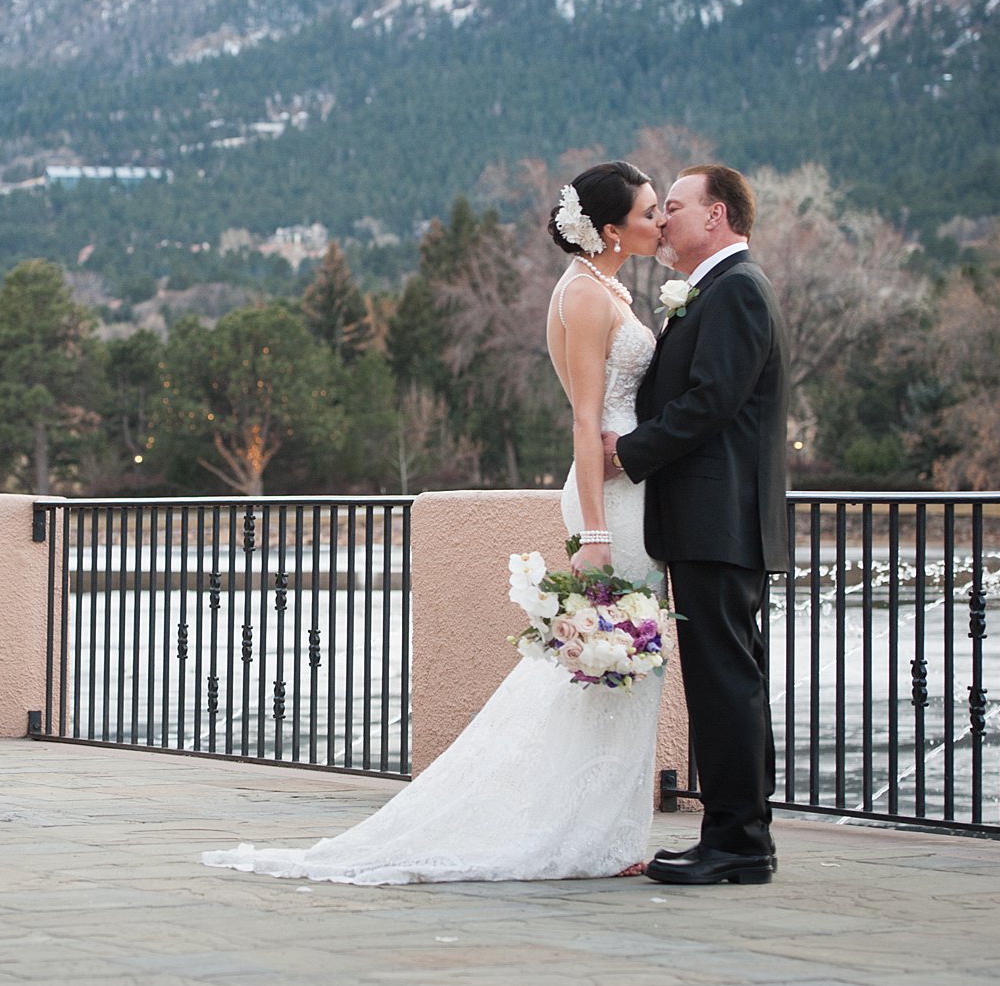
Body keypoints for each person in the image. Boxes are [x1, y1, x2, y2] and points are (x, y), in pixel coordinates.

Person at [202, 161, 666, 883]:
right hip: (611, 498)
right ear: (610, 230)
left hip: (634, 487)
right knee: (606, 656)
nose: (657, 222)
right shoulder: (582, 295)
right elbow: (583, 417)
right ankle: (575, 831)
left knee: (623, 659)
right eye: (646, 212)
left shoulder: (610, 286)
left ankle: (606, 831)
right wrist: (597, 531)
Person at [607, 163, 790, 887]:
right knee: (725, 682)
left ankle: (740, 842)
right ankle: (735, 835)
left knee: (727, 682)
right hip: (706, 520)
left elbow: (712, 400)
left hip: (723, 518)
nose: (663, 220)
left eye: (673, 207)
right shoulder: (709, 291)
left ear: (716, 216)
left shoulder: (738, 289)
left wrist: (628, 452)